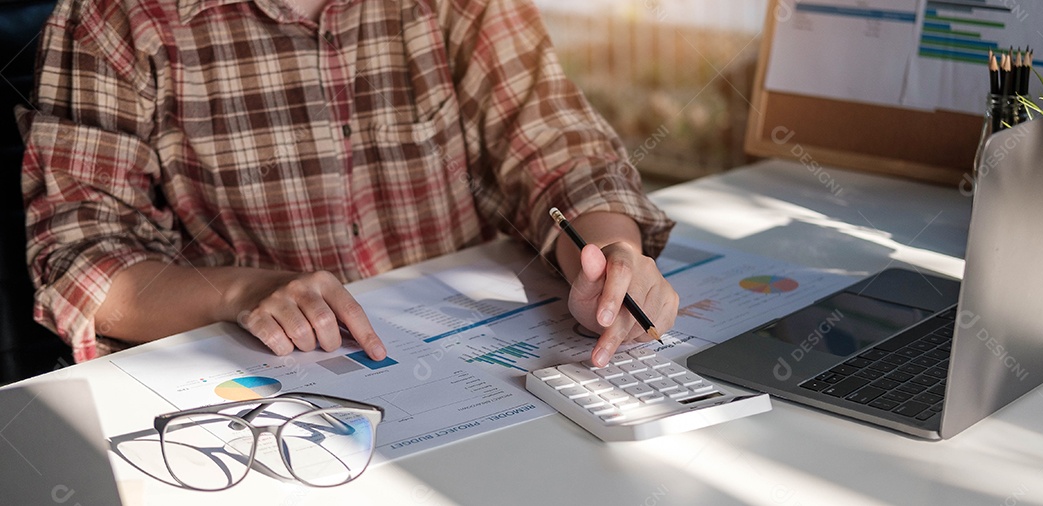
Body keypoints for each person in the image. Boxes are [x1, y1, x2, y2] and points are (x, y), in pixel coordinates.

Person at [18, 0, 677, 368]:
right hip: (278, 385)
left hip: (478, 360)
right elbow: (80, 257)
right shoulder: (111, 19)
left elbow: (564, 156)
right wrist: (246, 291)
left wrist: (609, 257)